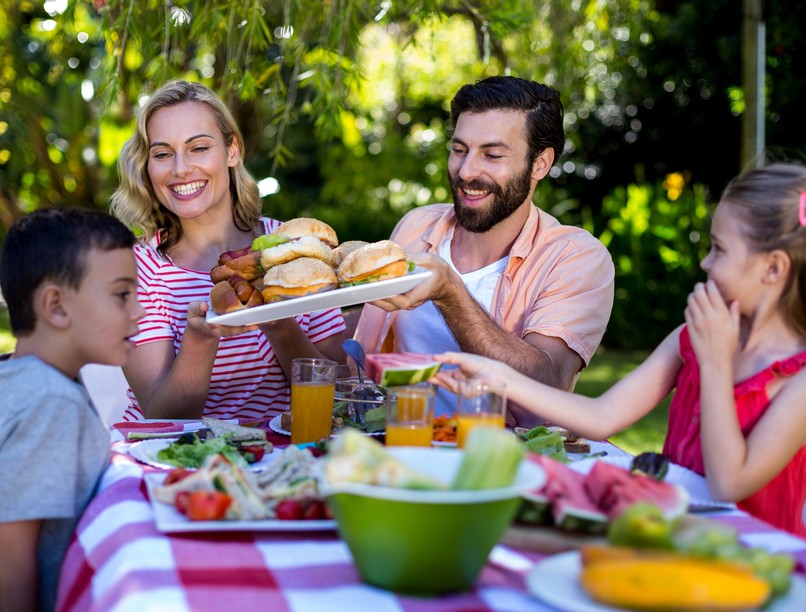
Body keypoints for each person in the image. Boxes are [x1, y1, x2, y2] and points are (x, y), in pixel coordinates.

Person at [433, 163, 806, 537]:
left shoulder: (797, 379)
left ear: (773, 268)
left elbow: (730, 483)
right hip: (678, 536)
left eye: (720, 250)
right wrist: (500, 379)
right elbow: (602, 416)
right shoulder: (690, 338)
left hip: (763, 558)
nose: (706, 262)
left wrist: (715, 365)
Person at [354, 76, 614, 426]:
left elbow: (546, 391)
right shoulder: (417, 226)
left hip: (493, 466)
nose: (466, 171)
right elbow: (359, 346)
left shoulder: (575, 257)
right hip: (395, 445)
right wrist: (284, 315)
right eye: (459, 150)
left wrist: (450, 292)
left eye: (492, 155)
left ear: (540, 163)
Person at [110, 80, 345, 422]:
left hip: (280, 459)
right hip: (174, 463)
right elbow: (163, 416)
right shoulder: (134, 269)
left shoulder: (294, 248)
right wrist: (200, 339)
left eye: (199, 148)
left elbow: (338, 392)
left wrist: (278, 324)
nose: (180, 169)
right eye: (162, 154)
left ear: (232, 150)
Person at [0, 207, 144, 611]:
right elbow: (10, 563)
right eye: (122, 295)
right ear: (57, 307)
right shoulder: (51, 403)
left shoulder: (27, 379)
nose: (140, 312)